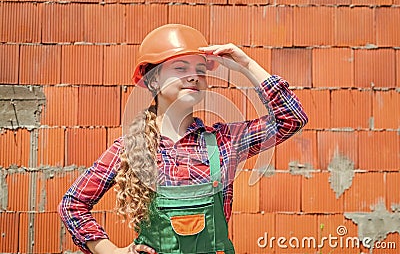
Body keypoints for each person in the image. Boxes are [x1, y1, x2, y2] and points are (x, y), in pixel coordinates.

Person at [58, 24, 308, 254]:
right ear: (153, 79)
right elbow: (72, 205)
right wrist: (112, 252)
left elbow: (291, 118)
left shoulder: (224, 141)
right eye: (180, 68)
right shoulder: (129, 148)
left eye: (200, 70)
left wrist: (246, 66)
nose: (193, 76)